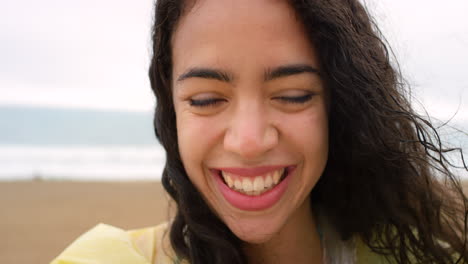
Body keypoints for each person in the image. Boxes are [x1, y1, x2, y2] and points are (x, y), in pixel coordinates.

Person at [51, 0, 468, 263]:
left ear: (339, 104)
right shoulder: (104, 259)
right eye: (205, 100)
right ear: (171, 105)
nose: (248, 143)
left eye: (292, 95)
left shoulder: (418, 253)